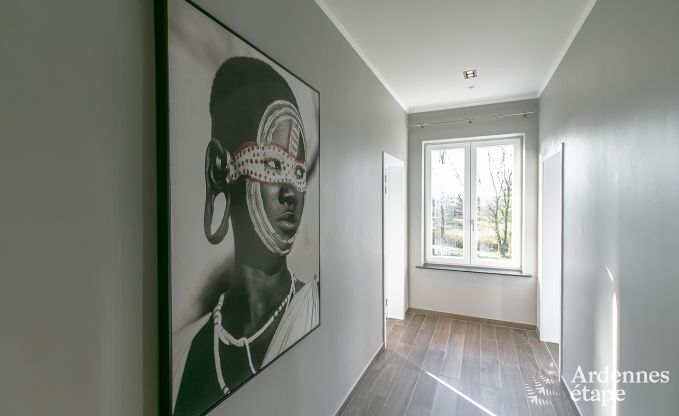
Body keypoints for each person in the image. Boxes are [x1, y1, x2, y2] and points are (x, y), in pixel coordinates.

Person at [171, 57, 319, 416]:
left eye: (299, 172)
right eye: (272, 163)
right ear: (220, 169)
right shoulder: (179, 353)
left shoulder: (316, 305)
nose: (291, 192)